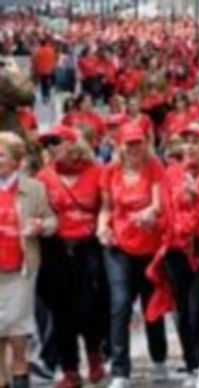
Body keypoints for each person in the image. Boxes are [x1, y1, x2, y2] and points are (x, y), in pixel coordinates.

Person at [147, 123, 199, 388]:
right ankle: (192, 364)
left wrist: (198, 196)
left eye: (197, 142)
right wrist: (152, 219)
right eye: (187, 142)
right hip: (176, 248)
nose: (190, 147)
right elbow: (163, 208)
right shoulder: (171, 175)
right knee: (183, 309)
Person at [35, 125, 107, 388]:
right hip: (56, 249)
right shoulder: (43, 176)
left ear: (71, 143)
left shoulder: (97, 172)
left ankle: (94, 355)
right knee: (61, 311)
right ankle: (70, 369)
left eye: (55, 141)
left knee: (89, 307)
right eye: (46, 144)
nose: (50, 148)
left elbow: (107, 206)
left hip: (89, 247)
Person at [97, 123, 168, 388]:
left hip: (150, 246)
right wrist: (102, 226)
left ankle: (159, 358)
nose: (134, 148)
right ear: (120, 146)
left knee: (153, 306)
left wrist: (150, 212)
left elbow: (159, 203)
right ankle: (120, 370)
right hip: (119, 246)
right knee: (120, 304)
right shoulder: (110, 172)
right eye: (129, 143)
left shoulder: (154, 168)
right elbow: (105, 207)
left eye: (138, 142)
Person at [0, 132, 57, 388]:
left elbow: (52, 221)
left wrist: (39, 226)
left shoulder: (34, 189)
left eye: (1, 155)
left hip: (20, 272)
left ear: (16, 159)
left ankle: (21, 379)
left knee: (17, 336)